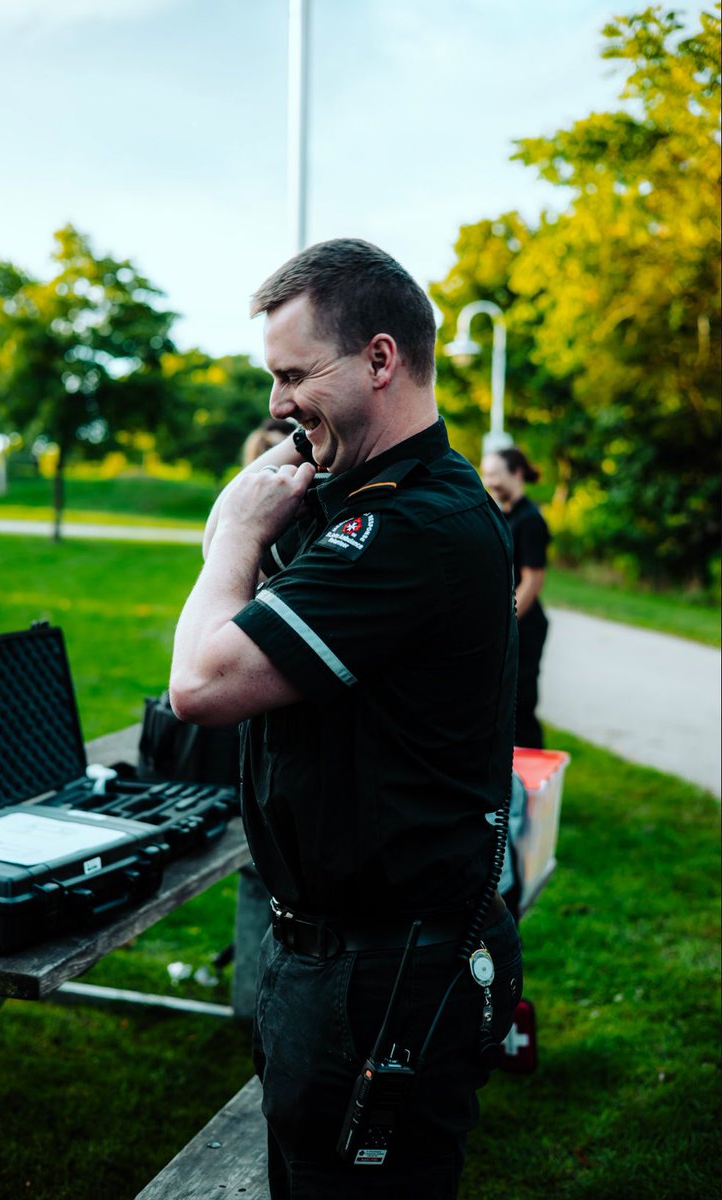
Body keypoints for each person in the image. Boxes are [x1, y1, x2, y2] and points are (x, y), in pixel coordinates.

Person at [170, 238, 522, 1199]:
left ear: (379, 359)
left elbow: (201, 680)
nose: (278, 404)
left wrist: (233, 535)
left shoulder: (412, 527)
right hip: (347, 955)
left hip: (379, 971)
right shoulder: (369, 505)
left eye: (294, 374)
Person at [481, 447, 550, 749]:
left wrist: (505, 623)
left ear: (517, 473)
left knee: (521, 706)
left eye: (496, 474)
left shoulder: (531, 519)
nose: (490, 481)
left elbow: (533, 580)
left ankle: (536, 787)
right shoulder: (502, 514)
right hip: (508, 624)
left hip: (525, 625)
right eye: (486, 474)